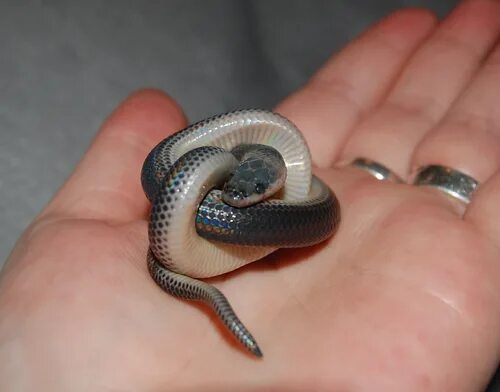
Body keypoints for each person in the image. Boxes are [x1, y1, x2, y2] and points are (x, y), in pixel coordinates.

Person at [1, 0, 500, 390]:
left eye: (255, 193)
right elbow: (180, 178)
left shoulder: (280, 172)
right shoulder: (211, 172)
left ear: (276, 180)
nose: (242, 200)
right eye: (240, 191)